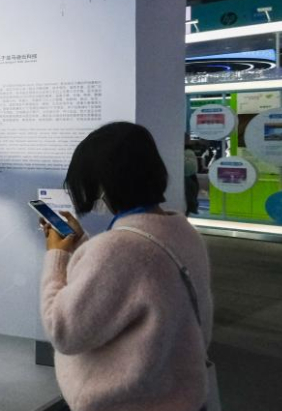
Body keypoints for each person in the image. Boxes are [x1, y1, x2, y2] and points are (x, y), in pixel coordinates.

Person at [39, 122, 213, 411]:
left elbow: (63, 330)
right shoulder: (180, 229)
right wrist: (82, 242)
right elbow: (126, 283)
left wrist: (57, 255)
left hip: (127, 401)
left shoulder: (118, 249)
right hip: (180, 393)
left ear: (106, 183)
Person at [184, 133, 200, 216]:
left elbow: (189, 169)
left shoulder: (187, 152)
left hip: (188, 179)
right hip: (191, 179)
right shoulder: (189, 152)